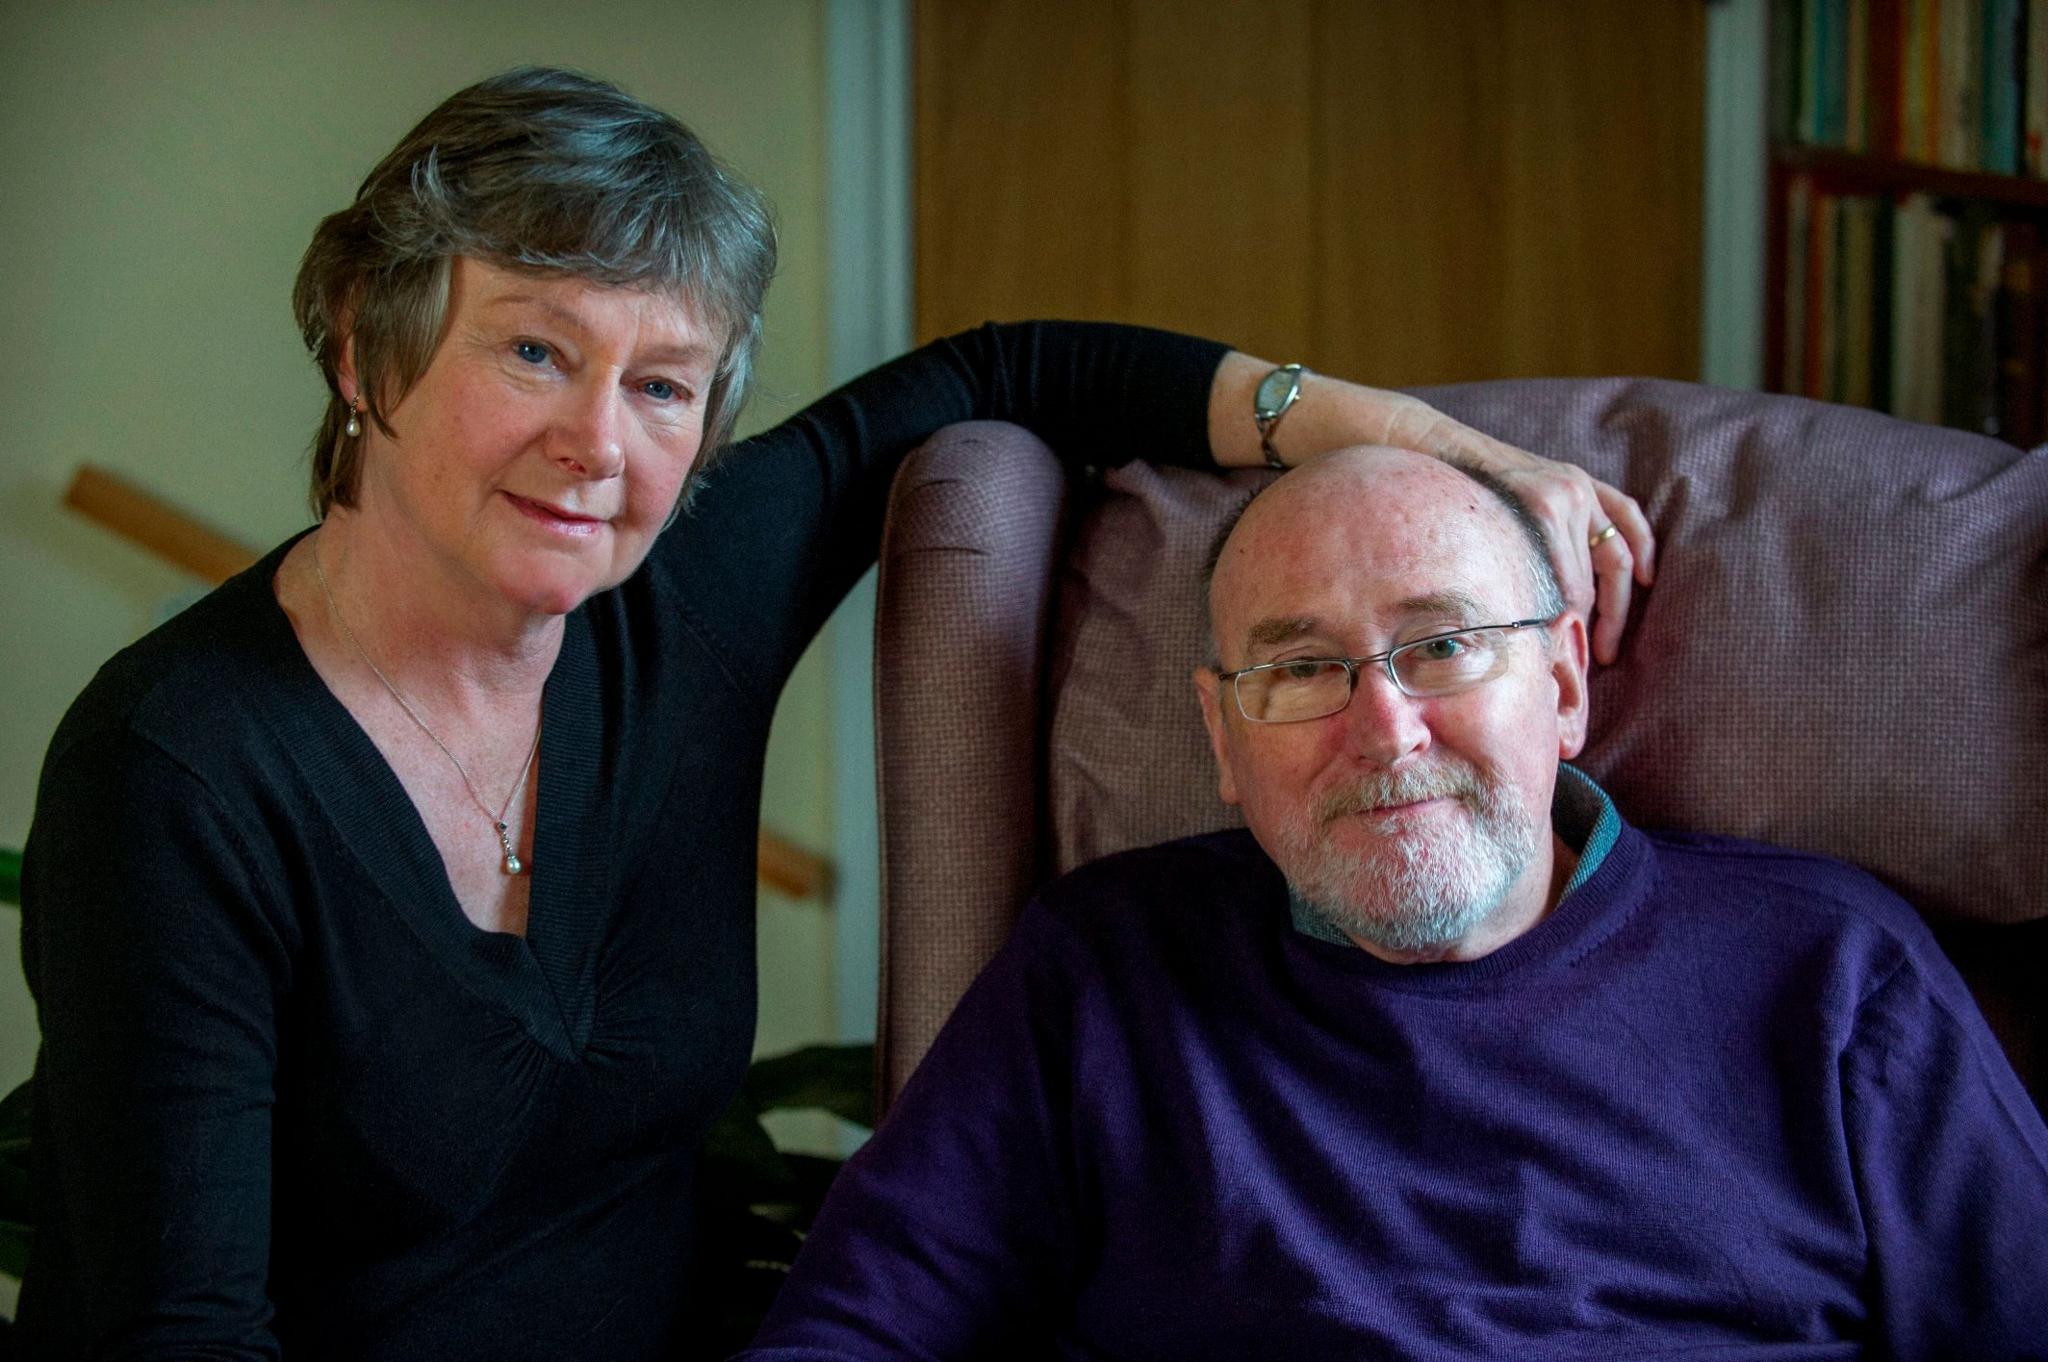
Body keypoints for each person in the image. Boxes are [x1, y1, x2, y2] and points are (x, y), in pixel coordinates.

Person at [14, 67, 1653, 1360]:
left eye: (664, 383)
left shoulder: (682, 604)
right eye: (533, 348)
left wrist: (1422, 441)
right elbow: (188, 1331)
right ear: (369, 353)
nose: (603, 443)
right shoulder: (176, 768)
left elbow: (996, 369)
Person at [735, 446, 2048, 1360]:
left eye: (1441, 644)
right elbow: (857, 1325)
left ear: (1567, 688)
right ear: (1221, 732)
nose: (1387, 727)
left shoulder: (1833, 970)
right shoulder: (1103, 967)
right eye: (1302, 666)